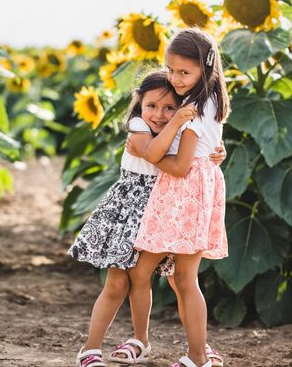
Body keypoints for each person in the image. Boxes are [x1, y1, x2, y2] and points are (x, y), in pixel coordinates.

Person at [69, 71, 226, 367]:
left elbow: (198, 150)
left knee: (179, 281)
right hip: (129, 212)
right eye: (151, 105)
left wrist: (216, 150)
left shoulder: (180, 129)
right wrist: (179, 120)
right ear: (139, 102)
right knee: (118, 281)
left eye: (169, 108)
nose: (159, 114)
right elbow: (154, 154)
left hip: (166, 209)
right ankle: (91, 349)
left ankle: (190, 347)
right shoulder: (138, 127)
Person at [125, 28, 230, 367]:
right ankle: (196, 352)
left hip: (185, 192)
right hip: (197, 189)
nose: (175, 78)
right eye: (171, 70)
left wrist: (148, 153)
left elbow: (182, 166)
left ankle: (195, 355)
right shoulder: (208, 99)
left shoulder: (196, 107)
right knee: (181, 278)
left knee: (156, 274)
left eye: (184, 72)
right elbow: (202, 152)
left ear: (206, 67)